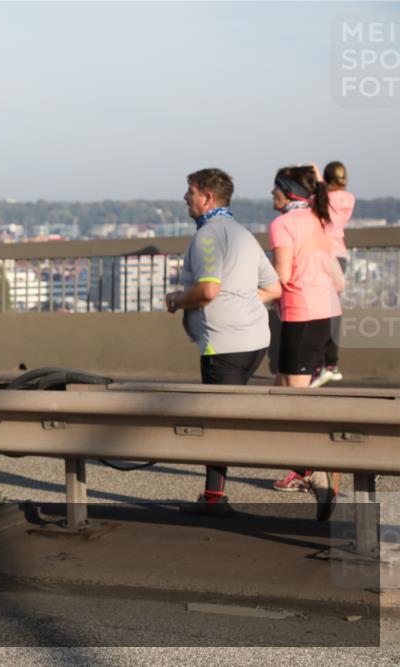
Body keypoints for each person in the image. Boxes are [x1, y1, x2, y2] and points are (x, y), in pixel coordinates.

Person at [166, 168, 281, 515]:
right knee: (229, 418)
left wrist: (176, 300)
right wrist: (243, 304)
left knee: (218, 422)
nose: (186, 198)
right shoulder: (243, 234)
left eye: (191, 192)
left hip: (224, 345)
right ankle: (213, 497)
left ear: (208, 198)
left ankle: (309, 471)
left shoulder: (208, 236)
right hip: (254, 339)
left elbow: (209, 291)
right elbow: (273, 288)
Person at [267, 166, 344, 520]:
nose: (271, 195)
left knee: (293, 405)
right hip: (326, 314)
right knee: (289, 395)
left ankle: (320, 471)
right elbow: (337, 280)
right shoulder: (320, 218)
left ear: (286, 191)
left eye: (275, 189)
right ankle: (311, 470)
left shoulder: (283, 225)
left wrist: (250, 294)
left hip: (299, 315)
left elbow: (281, 277)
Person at [310, 161, 355, 388]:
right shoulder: (348, 199)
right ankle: (331, 365)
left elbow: (320, 198)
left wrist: (317, 180)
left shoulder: (324, 198)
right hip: (341, 255)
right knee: (334, 309)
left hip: (326, 255)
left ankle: (325, 365)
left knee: (320, 311)